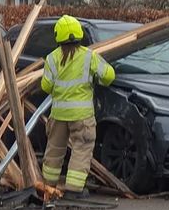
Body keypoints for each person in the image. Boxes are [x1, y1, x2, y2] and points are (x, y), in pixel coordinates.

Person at [40, 15, 115, 198]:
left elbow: (46, 86)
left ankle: (48, 187)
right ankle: (74, 190)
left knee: (54, 151)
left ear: (58, 36)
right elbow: (109, 76)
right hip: (82, 116)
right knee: (81, 149)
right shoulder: (89, 57)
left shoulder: (51, 59)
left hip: (58, 115)